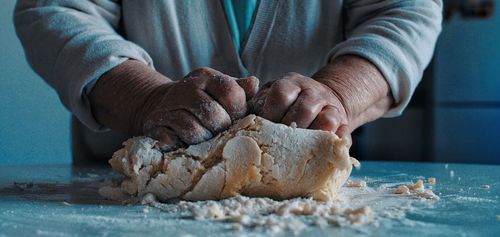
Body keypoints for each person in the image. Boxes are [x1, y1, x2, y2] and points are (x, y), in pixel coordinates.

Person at [14, 0, 442, 164]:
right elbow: (55, 9)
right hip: (121, 193)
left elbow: (405, 10)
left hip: (311, 201)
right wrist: (144, 99)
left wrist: (338, 94)